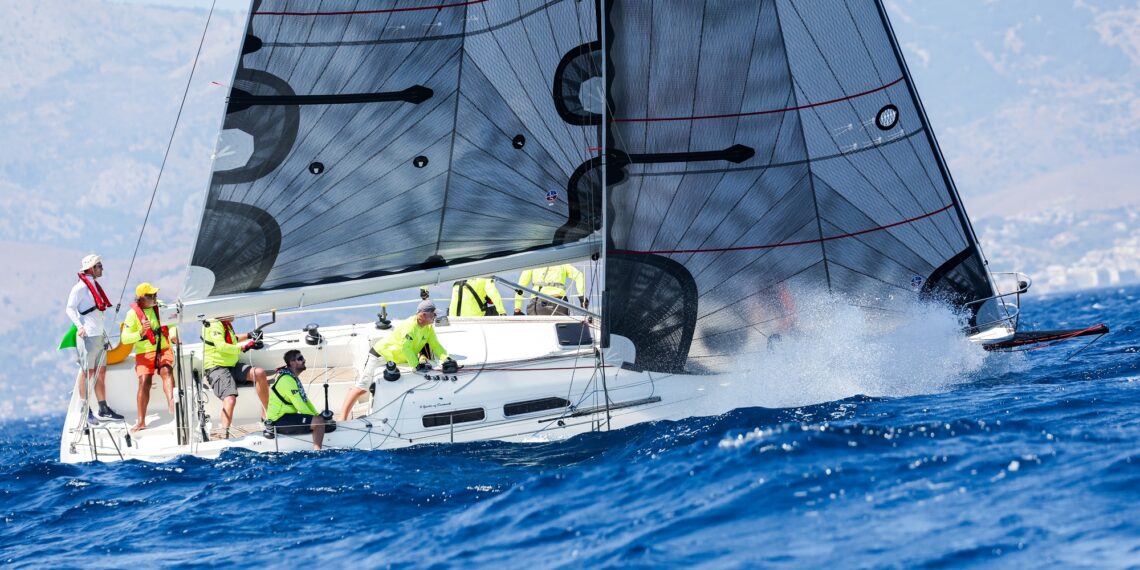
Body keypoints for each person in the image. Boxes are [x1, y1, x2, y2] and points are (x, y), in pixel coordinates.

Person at [339, 300, 453, 420]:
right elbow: (406, 348)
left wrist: (446, 359)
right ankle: (342, 418)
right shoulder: (410, 326)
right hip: (379, 356)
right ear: (423, 315)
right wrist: (416, 365)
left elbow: (436, 346)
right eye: (433, 314)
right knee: (362, 389)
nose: (435, 316)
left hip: (398, 359)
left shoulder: (428, 328)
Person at [65, 254, 124, 423]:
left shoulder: (93, 285)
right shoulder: (80, 287)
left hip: (99, 334)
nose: (102, 268)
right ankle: (85, 411)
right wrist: (79, 326)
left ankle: (103, 408)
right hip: (88, 336)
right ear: (91, 268)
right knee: (86, 373)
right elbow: (69, 308)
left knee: (101, 371)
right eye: (99, 265)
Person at [120, 282, 178, 431]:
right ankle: (141, 421)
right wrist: (140, 333)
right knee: (145, 381)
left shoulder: (161, 306)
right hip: (144, 353)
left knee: (166, 370)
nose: (154, 298)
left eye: (155, 295)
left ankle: (172, 404)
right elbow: (125, 338)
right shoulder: (132, 315)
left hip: (163, 348)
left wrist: (172, 336)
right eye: (150, 295)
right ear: (141, 298)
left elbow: (172, 324)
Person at [202, 316, 269, 437]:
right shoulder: (213, 324)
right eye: (232, 312)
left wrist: (249, 335)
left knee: (259, 373)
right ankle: (224, 433)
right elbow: (222, 346)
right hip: (216, 367)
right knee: (230, 399)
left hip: (233, 365)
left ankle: (267, 415)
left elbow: (232, 339)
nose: (235, 315)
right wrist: (245, 347)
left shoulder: (225, 323)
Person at [266, 350, 327, 451]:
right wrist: (318, 420)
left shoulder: (292, 378)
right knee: (319, 422)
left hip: (286, 417)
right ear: (292, 362)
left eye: (302, 358)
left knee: (319, 419)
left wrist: (316, 414)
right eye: (300, 359)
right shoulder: (287, 380)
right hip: (278, 421)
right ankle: (318, 453)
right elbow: (299, 405)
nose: (304, 360)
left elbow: (305, 400)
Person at [513, 264, 587, 316]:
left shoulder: (533, 263)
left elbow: (521, 286)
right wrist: (581, 297)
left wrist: (517, 308)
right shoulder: (562, 263)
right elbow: (579, 275)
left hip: (537, 303)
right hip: (559, 302)